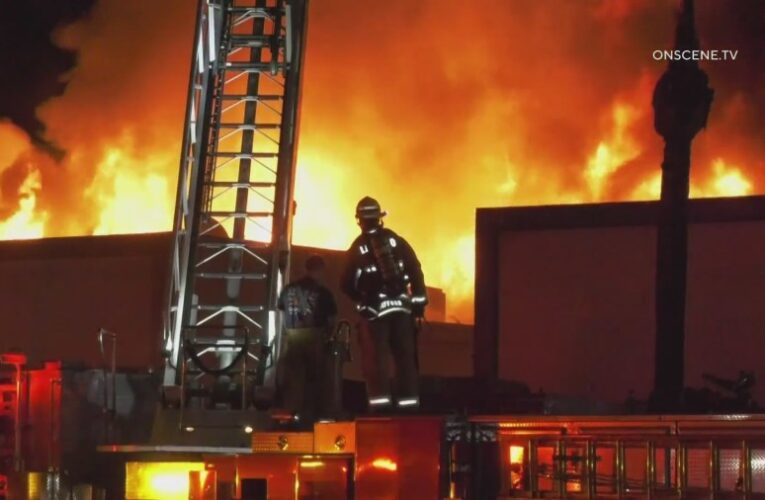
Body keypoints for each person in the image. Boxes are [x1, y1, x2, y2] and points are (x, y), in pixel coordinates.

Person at [340, 196, 428, 412]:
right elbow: (415, 270)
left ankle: (380, 406)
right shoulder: (396, 241)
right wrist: (418, 304)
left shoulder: (358, 247)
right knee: (405, 360)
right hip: (402, 311)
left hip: (375, 315)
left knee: (375, 361)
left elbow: (345, 282)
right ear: (379, 218)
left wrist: (362, 302)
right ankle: (409, 406)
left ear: (359, 220)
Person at [277, 255, 338, 423]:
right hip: (314, 336)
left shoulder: (288, 290)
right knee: (319, 378)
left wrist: (287, 333)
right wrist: (327, 336)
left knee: (294, 377)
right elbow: (332, 319)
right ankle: (319, 415)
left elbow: (281, 314)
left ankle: (290, 415)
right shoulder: (323, 293)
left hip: (293, 336)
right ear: (319, 270)